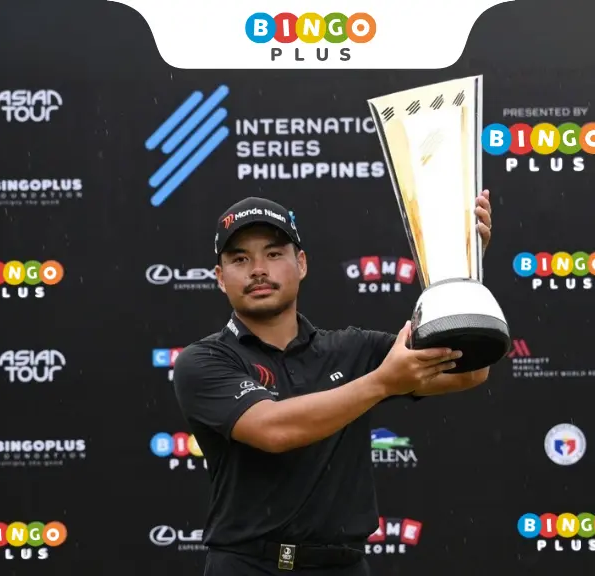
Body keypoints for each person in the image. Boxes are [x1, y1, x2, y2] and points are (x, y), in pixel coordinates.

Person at [172, 192, 495, 575]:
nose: (258, 269)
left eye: (274, 254)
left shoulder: (351, 349)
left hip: (344, 566)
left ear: (301, 263)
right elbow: (274, 429)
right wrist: (381, 382)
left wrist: (462, 270)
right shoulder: (204, 360)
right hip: (248, 566)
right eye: (240, 259)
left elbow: (470, 370)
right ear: (221, 278)